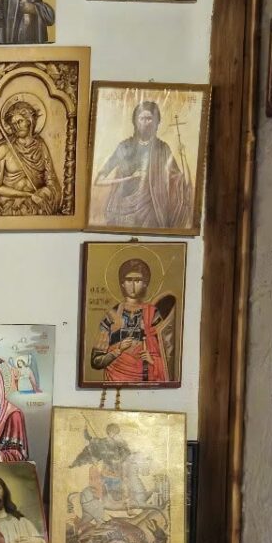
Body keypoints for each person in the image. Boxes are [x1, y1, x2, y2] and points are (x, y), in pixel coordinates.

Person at [91, 98, 194, 231]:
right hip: (123, 210)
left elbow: (178, 180)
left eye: (149, 118)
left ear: (156, 122)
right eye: (142, 118)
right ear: (135, 121)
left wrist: (183, 157)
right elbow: (99, 180)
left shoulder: (163, 149)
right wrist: (128, 178)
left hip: (152, 208)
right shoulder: (124, 146)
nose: (145, 122)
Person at [89, 257, 176, 385]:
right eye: (129, 280)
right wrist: (118, 350)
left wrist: (153, 361)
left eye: (138, 280)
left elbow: (166, 353)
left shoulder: (153, 314)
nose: (133, 285)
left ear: (145, 283)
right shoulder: (111, 315)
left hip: (145, 380)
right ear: (122, 283)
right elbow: (96, 362)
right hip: (116, 380)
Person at [0, 96, 63, 216]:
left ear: (29, 121)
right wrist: (27, 195)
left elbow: (51, 180)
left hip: (38, 199)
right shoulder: (3, 149)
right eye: (13, 124)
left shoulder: (41, 146)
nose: (16, 127)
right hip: (11, 202)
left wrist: (43, 192)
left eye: (20, 121)